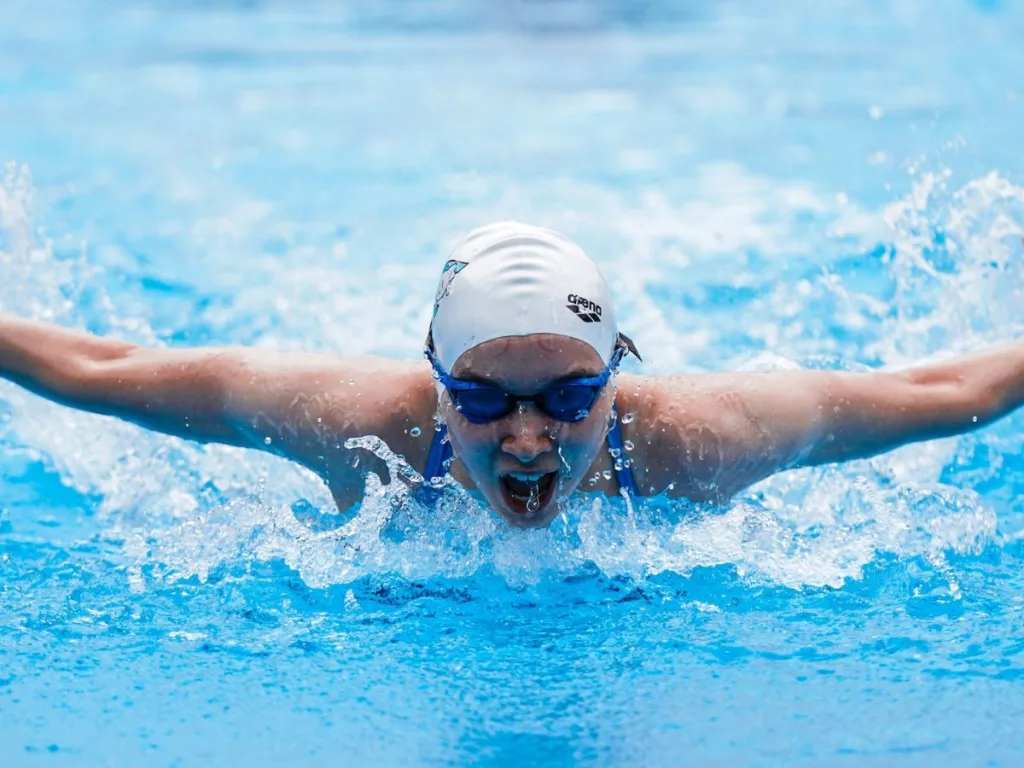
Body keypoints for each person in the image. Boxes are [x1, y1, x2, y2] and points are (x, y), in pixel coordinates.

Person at [1, 220, 1022, 529]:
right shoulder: (361, 427)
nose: (529, 436)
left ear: (617, 380)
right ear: (438, 381)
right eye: (486, 399)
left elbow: (947, 394)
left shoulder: (705, 438)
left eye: (572, 398)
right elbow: (110, 366)